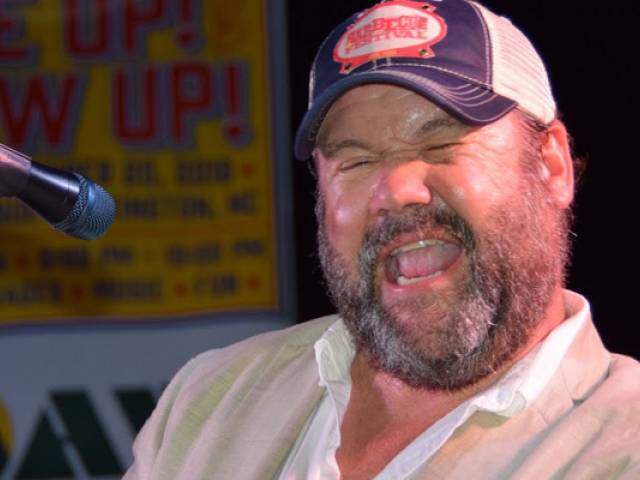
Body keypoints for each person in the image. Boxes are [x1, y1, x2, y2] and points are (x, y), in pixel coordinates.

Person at [124, 0, 640, 478]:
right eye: (357, 161)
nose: (394, 191)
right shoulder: (211, 397)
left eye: (440, 144)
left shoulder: (623, 443)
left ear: (550, 165)